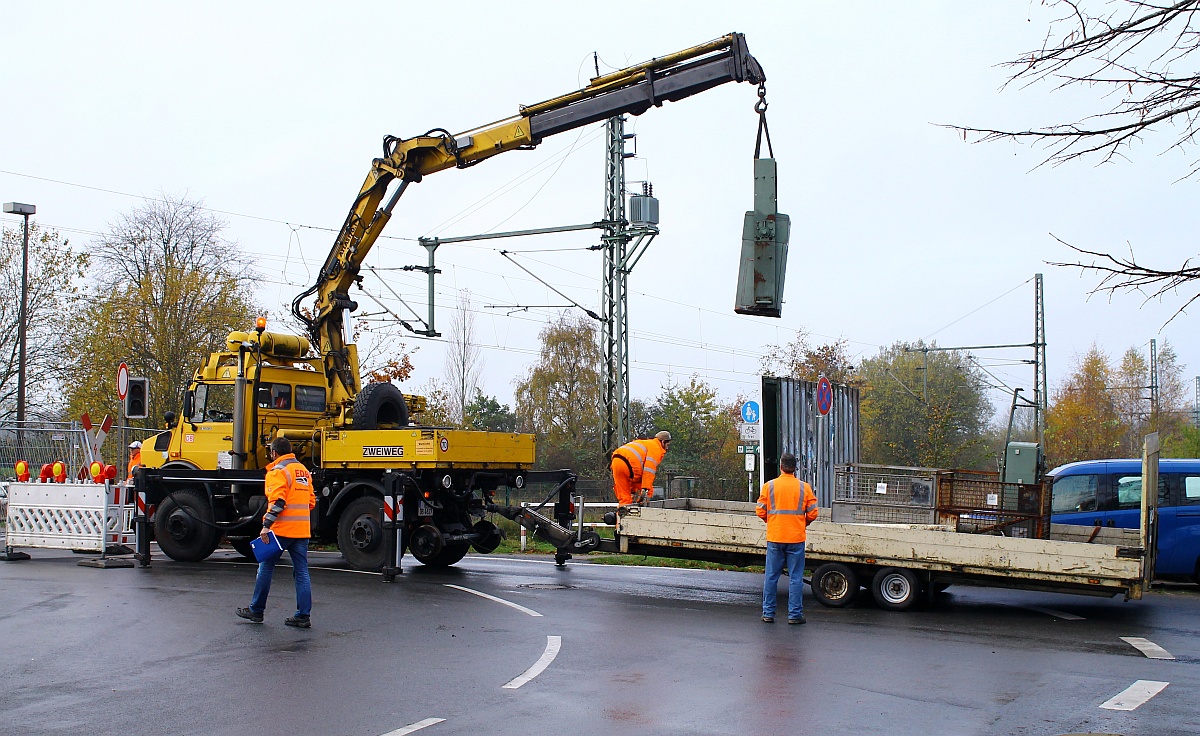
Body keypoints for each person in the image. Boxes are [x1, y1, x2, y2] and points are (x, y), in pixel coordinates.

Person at [237, 436, 316, 628]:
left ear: (274, 453)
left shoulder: (277, 471)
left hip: (281, 530)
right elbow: (311, 502)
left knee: (266, 567)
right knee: (302, 572)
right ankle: (303, 616)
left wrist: (266, 526)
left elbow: (278, 502)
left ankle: (256, 610)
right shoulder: (303, 471)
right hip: (301, 529)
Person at [756, 452, 818, 625]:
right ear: (795, 468)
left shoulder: (769, 486)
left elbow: (760, 510)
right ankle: (794, 615)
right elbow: (813, 512)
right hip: (796, 538)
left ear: (781, 467)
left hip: (775, 536)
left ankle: (768, 613)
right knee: (796, 577)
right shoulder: (804, 487)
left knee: (771, 576)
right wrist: (802, 523)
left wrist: (772, 521)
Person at [610, 431, 671, 507]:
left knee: (625, 499)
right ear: (663, 442)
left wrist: (632, 491)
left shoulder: (644, 442)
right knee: (649, 490)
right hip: (630, 465)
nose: (667, 448)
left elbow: (634, 471)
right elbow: (649, 469)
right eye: (667, 445)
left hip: (616, 462)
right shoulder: (656, 448)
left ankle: (621, 517)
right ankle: (644, 508)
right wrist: (645, 489)